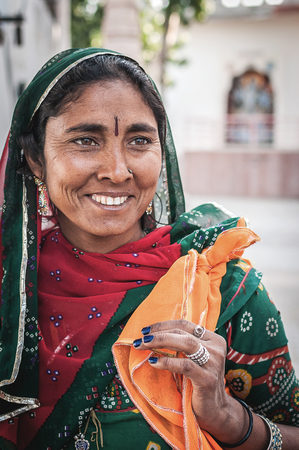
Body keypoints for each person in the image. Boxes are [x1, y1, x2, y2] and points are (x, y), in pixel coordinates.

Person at [0, 48, 298, 450]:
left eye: (140, 140)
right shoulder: (9, 289)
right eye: (86, 140)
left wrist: (228, 417)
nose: (118, 170)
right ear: (35, 157)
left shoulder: (221, 289)